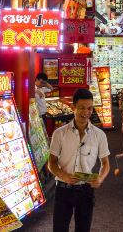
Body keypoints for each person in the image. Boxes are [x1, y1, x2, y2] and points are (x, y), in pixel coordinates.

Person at [48, 88, 111, 232]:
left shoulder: (99, 135)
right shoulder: (60, 133)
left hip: (86, 191)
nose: (86, 112)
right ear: (73, 107)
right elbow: (51, 163)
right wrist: (64, 176)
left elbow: (106, 163)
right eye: (82, 108)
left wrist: (100, 178)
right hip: (63, 190)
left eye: (89, 108)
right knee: (59, 228)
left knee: (83, 229)